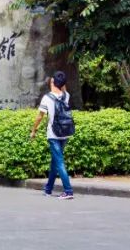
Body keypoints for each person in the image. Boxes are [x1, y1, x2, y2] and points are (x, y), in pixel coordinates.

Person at [31, 71, 75, 199]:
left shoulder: (47, 98)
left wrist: (34, 130)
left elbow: (40, 117)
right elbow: (63, 89)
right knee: (55, 162)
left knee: (59, 162)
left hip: (53, 134)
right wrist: (61, 80)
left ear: (52, 82)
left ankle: (68, 191)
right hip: (65, 133)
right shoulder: (66, 96)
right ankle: (48, 189)